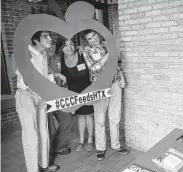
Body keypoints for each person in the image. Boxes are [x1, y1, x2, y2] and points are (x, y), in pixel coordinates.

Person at [10, 31, 64, 172]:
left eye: (49, 36)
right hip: (26, 95)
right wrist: (18, 57)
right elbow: (11, 73)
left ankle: (44, 164)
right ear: (35, 39)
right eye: (45, 36)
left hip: (41, 96)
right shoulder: (23, 53)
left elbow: (44, 74)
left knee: (44, 131)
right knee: (31, 135)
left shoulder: (44, 54)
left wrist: (56, 75)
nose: (50, 39)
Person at [82, 29, 129, 160]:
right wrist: (108, 55)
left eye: (94, 35)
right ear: (87, 41)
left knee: (115, 116)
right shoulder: (87, 51)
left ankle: (116, 145)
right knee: (100, 119)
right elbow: (94, 68)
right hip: (100, 87)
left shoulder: (107, 44)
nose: (94, 39)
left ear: (98, 33)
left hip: (115, 83)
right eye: (90, 38)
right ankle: (101, 148)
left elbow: (117, 63)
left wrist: (121, 76)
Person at [54, 36, 95, 152]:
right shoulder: (60, 60)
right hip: (74, 93)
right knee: (80, 116)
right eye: (65, 45)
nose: (69, 47)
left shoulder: (82, 54)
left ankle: (90, 139)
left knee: (89, 115)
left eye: (71, 44)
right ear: (61, 48)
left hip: (88, 90)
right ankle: (81, 140)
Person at [47, 45, 74, 164]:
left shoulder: (58, 56)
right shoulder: (38, 59)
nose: (50, 47)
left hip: (59, 95)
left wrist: (79, 48)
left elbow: (70, 57)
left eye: (52, 44)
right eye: (46, 43)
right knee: (49, 128)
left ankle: (56, 146)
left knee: (67, 121)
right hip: (44, 97)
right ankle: (46, 156)